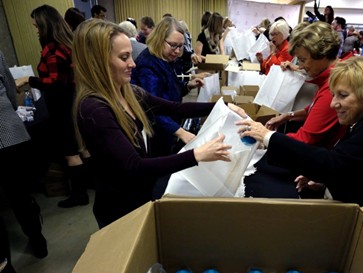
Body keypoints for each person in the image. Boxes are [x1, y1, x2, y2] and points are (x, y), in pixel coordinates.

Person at [237, 55, 363, 262]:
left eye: (343, 96)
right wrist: (324, 181)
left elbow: (334, 164)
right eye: (334, 95)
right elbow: (355, 167)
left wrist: (268, 137)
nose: (334, 104)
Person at [72, 19, 244, 228]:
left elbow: (174, 108)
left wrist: (223, 106)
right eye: (124, 57)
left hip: (139, 195)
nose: (132, 64)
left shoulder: (128, 92)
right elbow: (134, 166)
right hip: (119, 208)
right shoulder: (94, 109)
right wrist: (197, 155)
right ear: (98, 62)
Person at [246, 22, 348, 199]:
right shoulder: (329, 80)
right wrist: (289, 116)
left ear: (322, 55)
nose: (300, 66)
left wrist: (265, 136)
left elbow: (304, 140)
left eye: (302, 60)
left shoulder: (333, 88)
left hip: (312, 168)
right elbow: (314, 108)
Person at [15, 4, 89, 208]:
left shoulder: (53, 49)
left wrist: (29, 79)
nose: (36, 30)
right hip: (74, 100)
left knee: (70, 151)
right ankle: (90, 185)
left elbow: (55, 83)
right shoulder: (68, 43)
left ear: (45, 25)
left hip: (62, 105)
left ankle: (79, 195)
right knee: (81, 147)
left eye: (37, 26)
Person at [0, 50, 47, 273]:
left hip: (7, 133)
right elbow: (9, 87)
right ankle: (38, 241)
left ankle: (5, 271)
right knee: (20, 195)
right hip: (9, 131)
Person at [131, 17, 205, 156]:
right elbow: (152, 108)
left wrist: (187, 86)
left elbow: (168, 90)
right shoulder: (148, 65)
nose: (177, 51)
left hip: (168, 125)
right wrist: (180, 131)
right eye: (173, 45)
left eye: (180, 46)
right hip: (157, 131)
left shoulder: (164, 58)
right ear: (160, 39)